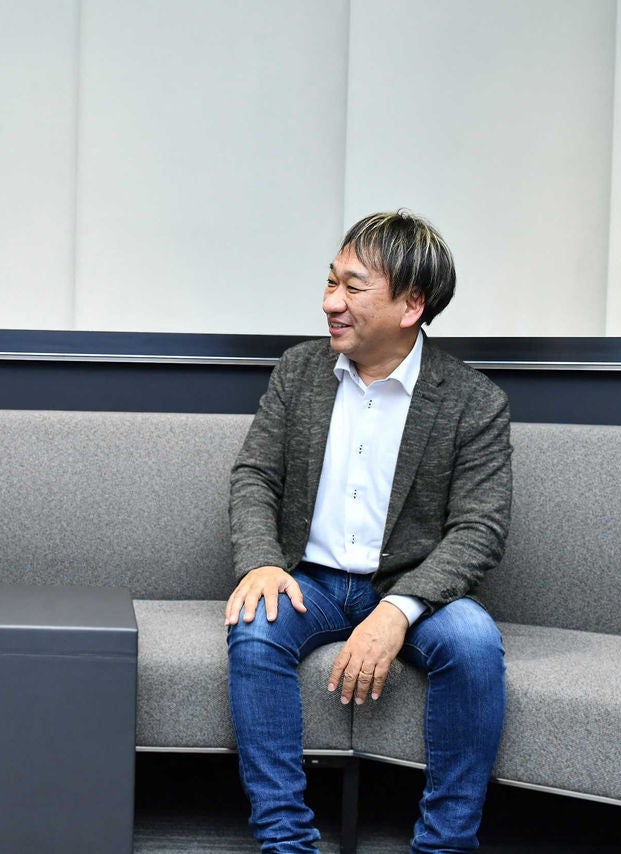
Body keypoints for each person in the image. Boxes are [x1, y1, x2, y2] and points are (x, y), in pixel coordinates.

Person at [225, 211, 511, 852]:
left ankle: (444, 845)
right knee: (255, 626)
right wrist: (261, 562)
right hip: (310, 582)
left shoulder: (473, 401)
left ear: (412, 305)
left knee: (473, 642)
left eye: (353, 287)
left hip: (412, 588)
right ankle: (285, 843)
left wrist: (398, 610)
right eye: (331, 282)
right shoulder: (299, 372)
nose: (331, 302)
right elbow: (255, 477)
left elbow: (480, 528)